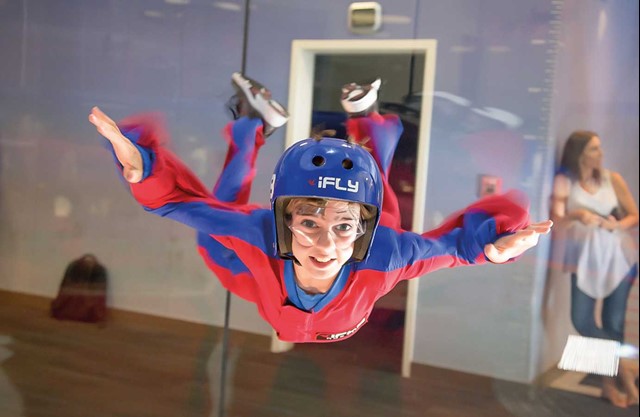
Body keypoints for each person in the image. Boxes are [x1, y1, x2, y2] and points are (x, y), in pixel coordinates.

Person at [88, 73, 552, 344]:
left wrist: (490, 249)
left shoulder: (383, 252)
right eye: (308, 222)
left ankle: (265, 126)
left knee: (378, 206)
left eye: (343, 226)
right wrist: (142, 168)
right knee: (213, 239)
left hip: (296, 279)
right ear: (284, 221)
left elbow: (453, 248)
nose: (325, 244)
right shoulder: (262, 232)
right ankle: (322, 124)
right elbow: (177, 203)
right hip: (262, 280)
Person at [550, 130, 639, 407]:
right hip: (585, 259)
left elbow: (634, 215)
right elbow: (557, 218)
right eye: (593, 149)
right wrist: (578, 214)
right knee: (583, 320)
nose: (600, 154)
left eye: (599, 148)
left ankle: (608, 387)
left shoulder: (613, 179)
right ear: (579, 153)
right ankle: (625, 372)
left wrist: (616, 224)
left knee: (613, 324)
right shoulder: (566, 181)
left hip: (619, 259)